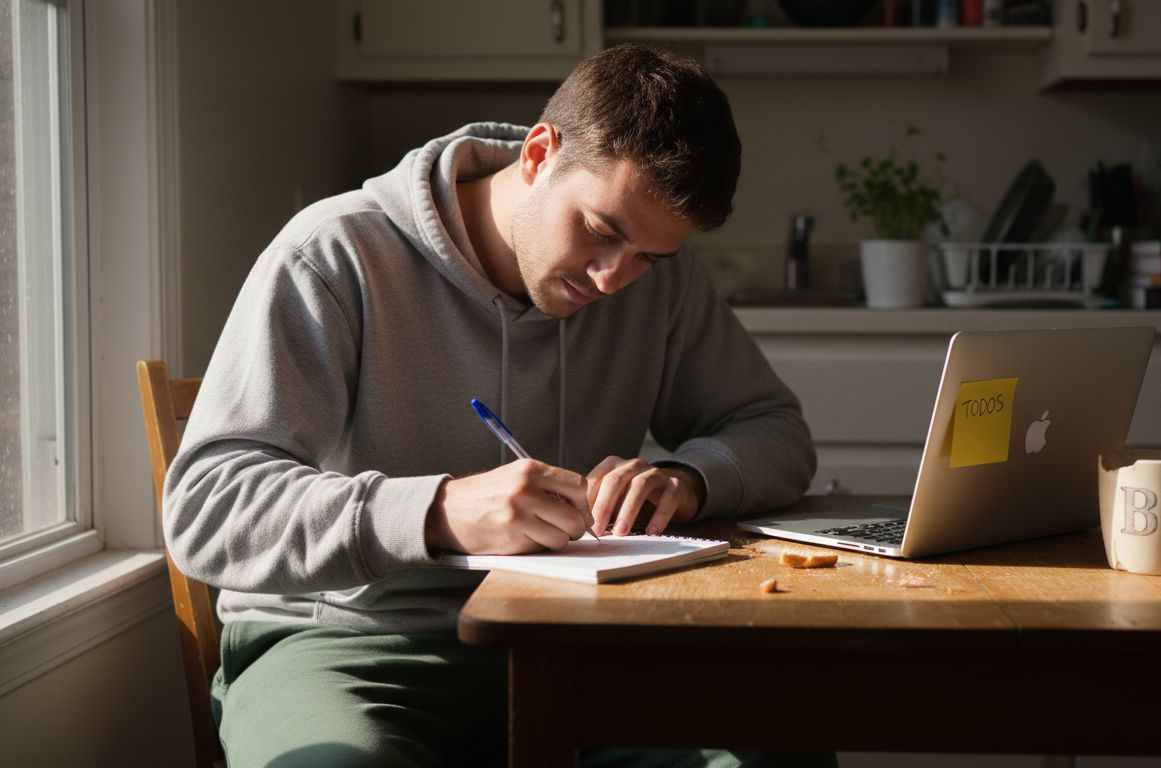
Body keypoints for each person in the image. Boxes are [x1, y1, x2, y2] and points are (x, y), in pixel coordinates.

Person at [164, 43, 827, 767]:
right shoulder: (333, 256)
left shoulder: (656, 281)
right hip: (349, 645)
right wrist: (436, 512)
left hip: (575, 644)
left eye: (648, 257)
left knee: (775, 752)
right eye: (602, 233)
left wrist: (690, 478)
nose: (614, 279)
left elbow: (774, 429)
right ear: (540, 154)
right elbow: (207, 509)